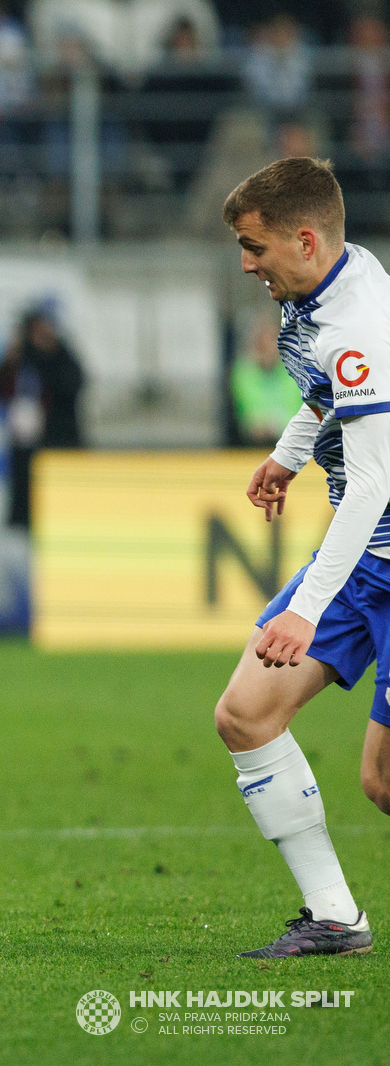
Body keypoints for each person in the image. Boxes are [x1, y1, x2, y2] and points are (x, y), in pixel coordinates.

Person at [216, 156, 382, 958]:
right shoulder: (331, 287)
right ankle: (336, 918)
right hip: (369, 560)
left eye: (255, 249)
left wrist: (307, 608)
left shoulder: (360, 332)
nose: (247, 265)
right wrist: (289, 453)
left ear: (306, 240)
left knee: (383, 783)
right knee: (245, 714)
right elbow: (323, 396)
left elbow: (374, 488)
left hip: (371, 545)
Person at [0, 308, 85, 528]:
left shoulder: (60, 357)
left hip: (59, 446)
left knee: (64, 510)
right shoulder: (17, 362)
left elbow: (73, 385)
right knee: (26, 511)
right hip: (25, 450)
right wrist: (8, 359)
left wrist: (51, 352)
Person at [230, 315, 303, 446]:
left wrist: (274, 425)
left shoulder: (296, 371)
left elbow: (298, 413)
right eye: (262, 342)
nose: (267, 348)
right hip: (253, 446)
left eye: (272, 341)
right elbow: (250, 416)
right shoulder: (244, 372)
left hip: (294, 443)